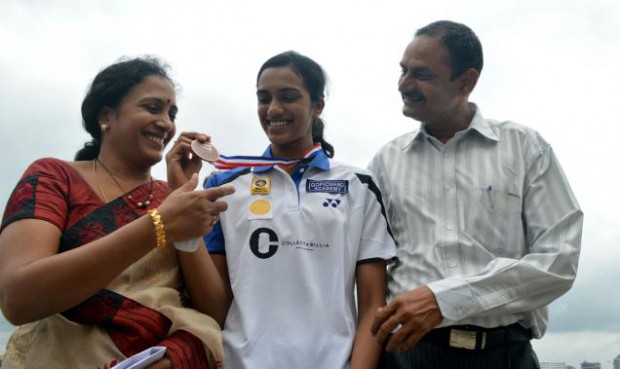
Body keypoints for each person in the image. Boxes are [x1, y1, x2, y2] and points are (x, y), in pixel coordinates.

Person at [369, 20, 583, 368]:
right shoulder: (384, 162)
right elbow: (371, 270)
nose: (403, 84)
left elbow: (559, 262)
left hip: (505, 355)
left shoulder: (526, 149)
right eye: (403, 70)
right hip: (408, 356)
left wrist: (444, 299)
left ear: (466, 81)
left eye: (420, 74)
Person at [0, 56, 234, 369]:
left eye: (171, 113)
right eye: (152, 108)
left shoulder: (174, 198)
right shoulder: (54, 176)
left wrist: (180, 193)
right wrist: (160, 224)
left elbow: (215, 314)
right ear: (106, 116)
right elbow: (18, 298)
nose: (166, 123)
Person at [202, 50, 396, 369]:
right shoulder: (224, 185)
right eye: (264, 98)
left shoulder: (359, 184)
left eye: (288, 97)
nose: (274, 109)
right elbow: (214, 305)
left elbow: (373, 303)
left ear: (317, 106)